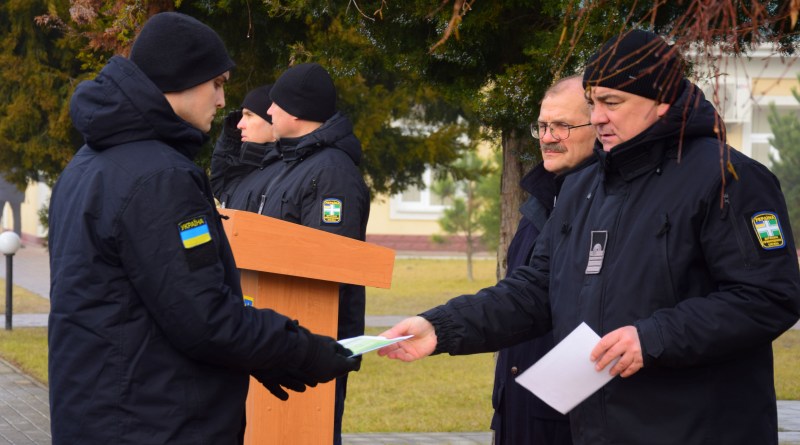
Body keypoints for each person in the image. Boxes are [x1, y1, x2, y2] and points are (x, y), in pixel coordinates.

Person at [378, 29, 800, 445]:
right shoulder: (584, 187)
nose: (597, 117)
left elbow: (768, 297)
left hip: (701, 429)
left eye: (612, 103)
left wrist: (653, 338)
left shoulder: (728, 178)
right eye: (594, 102)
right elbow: (534, 291)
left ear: (662, 102)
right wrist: (441, 327)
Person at [48, 12, 359, 445]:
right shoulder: (159, 177)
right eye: (216, 83)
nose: (220, 100)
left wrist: (264, 359)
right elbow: (203, 316)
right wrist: (300, 349)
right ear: (179, 79)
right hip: (155, 420)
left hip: (104, 409)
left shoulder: (90, 163)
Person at [491, 75, 595, 445]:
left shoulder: (606, 205)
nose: (549, 138)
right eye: (543, 126)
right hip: (518, 407)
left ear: (599, 124)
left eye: (563, 126)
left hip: (567, 416)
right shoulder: (542, 196)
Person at [210, 84, 283, 210]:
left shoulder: (283, 174)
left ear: (273, 122)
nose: (239, 125)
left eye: (249, 115)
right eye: (242, 116)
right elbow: (219, 187)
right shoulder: (244, 170)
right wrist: (230, 140)